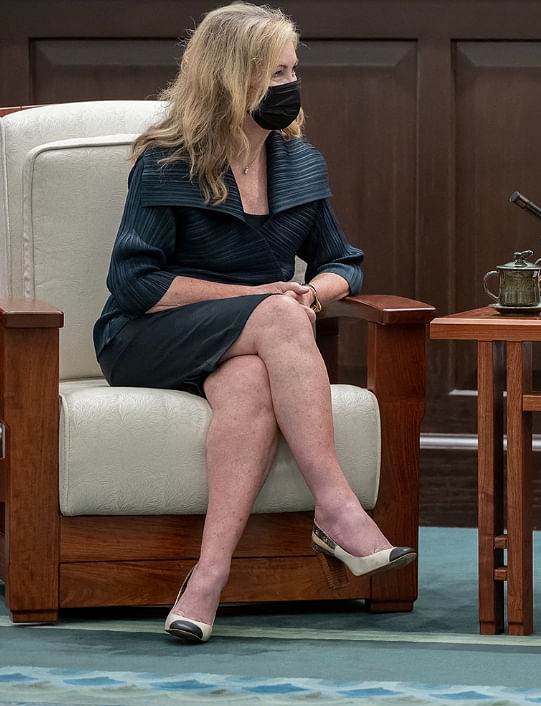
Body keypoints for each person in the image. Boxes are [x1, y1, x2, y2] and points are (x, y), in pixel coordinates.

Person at [93, 1, 415, 644]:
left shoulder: (300, 162)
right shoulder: (167, 161)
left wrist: (309, 296)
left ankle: (207, 580)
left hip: (250, 339)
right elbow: (134, 282)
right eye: (275, 74)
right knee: (274, 313)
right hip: (147, 337)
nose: (290, 86)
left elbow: (342, 263)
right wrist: (258, 299)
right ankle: (337, 505)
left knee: (250, 383)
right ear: (228, 79)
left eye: (293, 70)